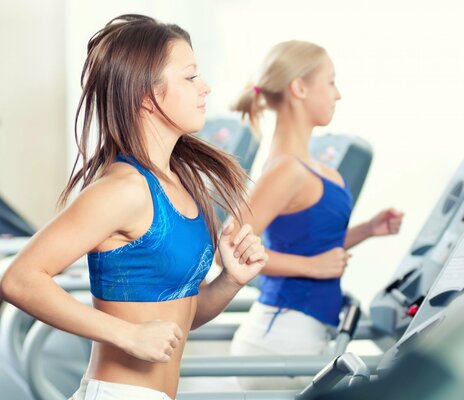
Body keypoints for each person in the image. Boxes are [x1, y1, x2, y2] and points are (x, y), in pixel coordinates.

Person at [0, 14, 268, 400]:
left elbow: (177, 320)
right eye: (190, 77)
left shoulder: (177, 182)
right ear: (147, 94)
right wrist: (126, 334)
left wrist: (229, 281)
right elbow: (19, 279)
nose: (204, 87)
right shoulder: (123, 189)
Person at [228, 40, 404, 389]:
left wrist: (367, 229)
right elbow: (232, 245)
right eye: (331, 82)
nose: (337, 95)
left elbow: (309, 243)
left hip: (301, 333)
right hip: (277, 340)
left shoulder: (307, 166)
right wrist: (312, 267)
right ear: (299, 88)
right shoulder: (286, 170)